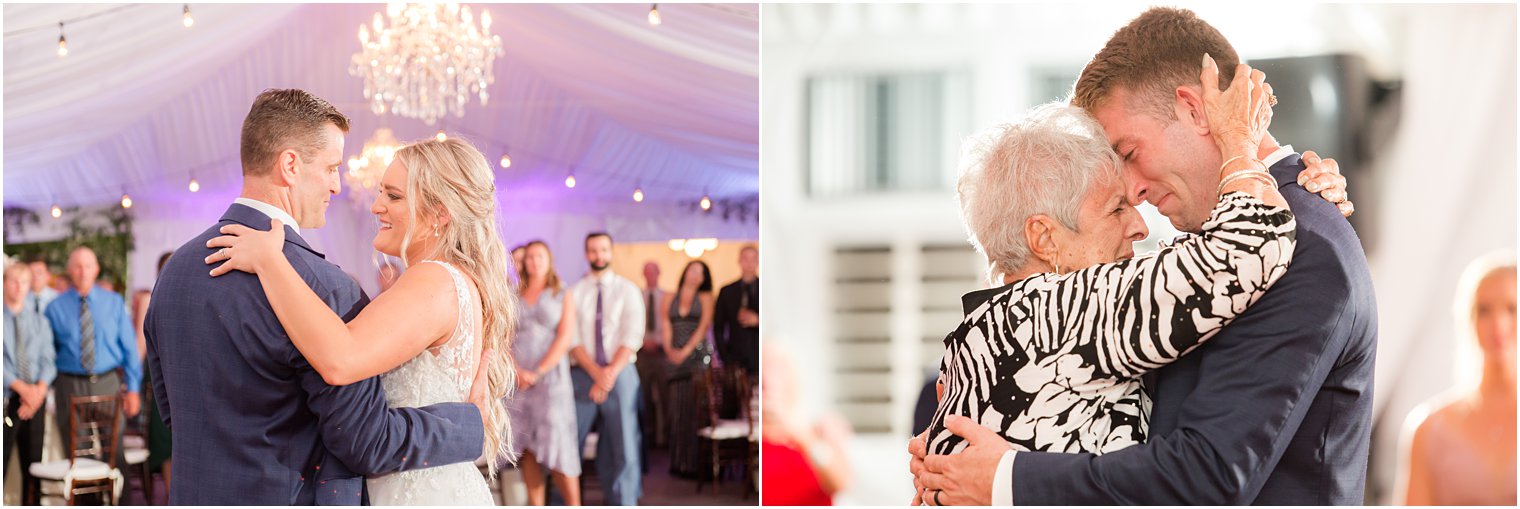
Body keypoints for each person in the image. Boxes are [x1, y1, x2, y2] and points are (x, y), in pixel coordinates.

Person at [911, 7, 1376, 505]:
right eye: (1114, 198)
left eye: (1128, 153)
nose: (1134, 195)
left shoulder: (1304, 245)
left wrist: (1007, 478)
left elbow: (1211, 475)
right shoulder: (1241, 242)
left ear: (1195, 110)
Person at [922, 57, 1294, 460]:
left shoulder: (992, 327)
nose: (1140, 225)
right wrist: (1239, 139)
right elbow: (1252, 245)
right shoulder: (1059, 312)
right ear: (1045, 238)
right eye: (1115, 209)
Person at [146, 89, 491, 505]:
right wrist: (469, 426)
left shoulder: (175, 273)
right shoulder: (328, 288)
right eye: (331, 167)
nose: (338, 184)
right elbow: (364, 442)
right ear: (290, 165)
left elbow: (172, 413)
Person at [207, 134, 519, 504]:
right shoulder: (450, 280)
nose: (375, 206)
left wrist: (270, 262)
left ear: (439, 213)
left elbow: (342, 360)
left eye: (393, 196)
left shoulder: (433, 280)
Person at [1397, 253, 1516, 505]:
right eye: (1484, 310)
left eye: (1512, 309)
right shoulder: (1427, 429)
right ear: (1468, 319)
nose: (1498, 324)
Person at [45, 246, 141, 472]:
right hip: (70, 384)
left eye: (87, 266)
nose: (82, 271)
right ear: (69, 270)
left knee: (115, 451)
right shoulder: (54, 308)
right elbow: (48, 352)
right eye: (77, 266)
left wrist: (134, 389)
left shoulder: (114, 302)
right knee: (78, 455)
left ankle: (121, 504)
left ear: (96, 269)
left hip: (108, 382)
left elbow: (129, 349)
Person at [569, 232, 645, 505]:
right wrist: (596, 373)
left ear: (611, 252)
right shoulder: (574, 292)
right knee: (571, 442)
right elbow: (572, 338)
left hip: (621, 372)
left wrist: (610, 372)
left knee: (623, 443)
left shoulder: (629, 290)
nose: (598, 255)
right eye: (592, 250)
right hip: (582, 374)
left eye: (603, 250)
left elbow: (632, 335)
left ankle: (623, 501)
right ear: (586, 253)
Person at [511, 239, 583, 506]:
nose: (534, 261)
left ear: (549, 260)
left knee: (558, 444)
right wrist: (517, 371)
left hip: (550, 380)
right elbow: (503, 336)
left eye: (540, 256)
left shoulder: (561, 293)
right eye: (529, 257)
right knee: (528, 446)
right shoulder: (514, 293)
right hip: (520, 382)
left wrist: (538, 372)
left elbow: (565, 338)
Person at [761, 343, 851, 505]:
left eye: (776, 368)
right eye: (763, 368)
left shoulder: (818, 430)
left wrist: (804, 436)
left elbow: (841, 482)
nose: (766, 377)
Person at [4, 258, 56, 505]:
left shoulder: (39, 321)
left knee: (32, 467)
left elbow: (49, 361)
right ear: (4, 283)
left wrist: (38, 392)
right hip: (7, 398)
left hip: (34, 401)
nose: (18, 286)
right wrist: (23, 388)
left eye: (24, 282)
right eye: (13, 281)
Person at [662, 260, 715, 478]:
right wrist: (670, 350)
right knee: (677, 409)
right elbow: (665, 324)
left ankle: (696, 464)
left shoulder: (706, 298)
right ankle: (678, 462)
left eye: (701, 273)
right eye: (693, 270)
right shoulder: (669, 297)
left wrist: (685, 351)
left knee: (695, 410)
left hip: (697, 358)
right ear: (685, 272)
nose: (696, 276)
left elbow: (703, 327)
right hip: (674, 358)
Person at [133, 252, 175, 493]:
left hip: (166, 369)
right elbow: (141, 344)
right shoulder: (150, 297)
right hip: (158, 371)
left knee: (170, 436)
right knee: (165, 437)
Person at [635, 261, 671, 451]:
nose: (650, 275)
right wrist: (642, 342)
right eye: (647, 272)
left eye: (653, 272)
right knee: (645, 397)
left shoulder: (666, 297)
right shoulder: (637, 296)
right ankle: (648, 440)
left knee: (666, 396)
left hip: (662, 353)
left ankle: (665, 439)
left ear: (659, 273)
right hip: (641, 353)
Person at [714, 245, 759, 377]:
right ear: (739, 260)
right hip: (735, 357)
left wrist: (758, 320)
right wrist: (725, 357)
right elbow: (718, 327)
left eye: (753, 258)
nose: (749, 263)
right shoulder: (727, 291)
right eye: (745, 258)